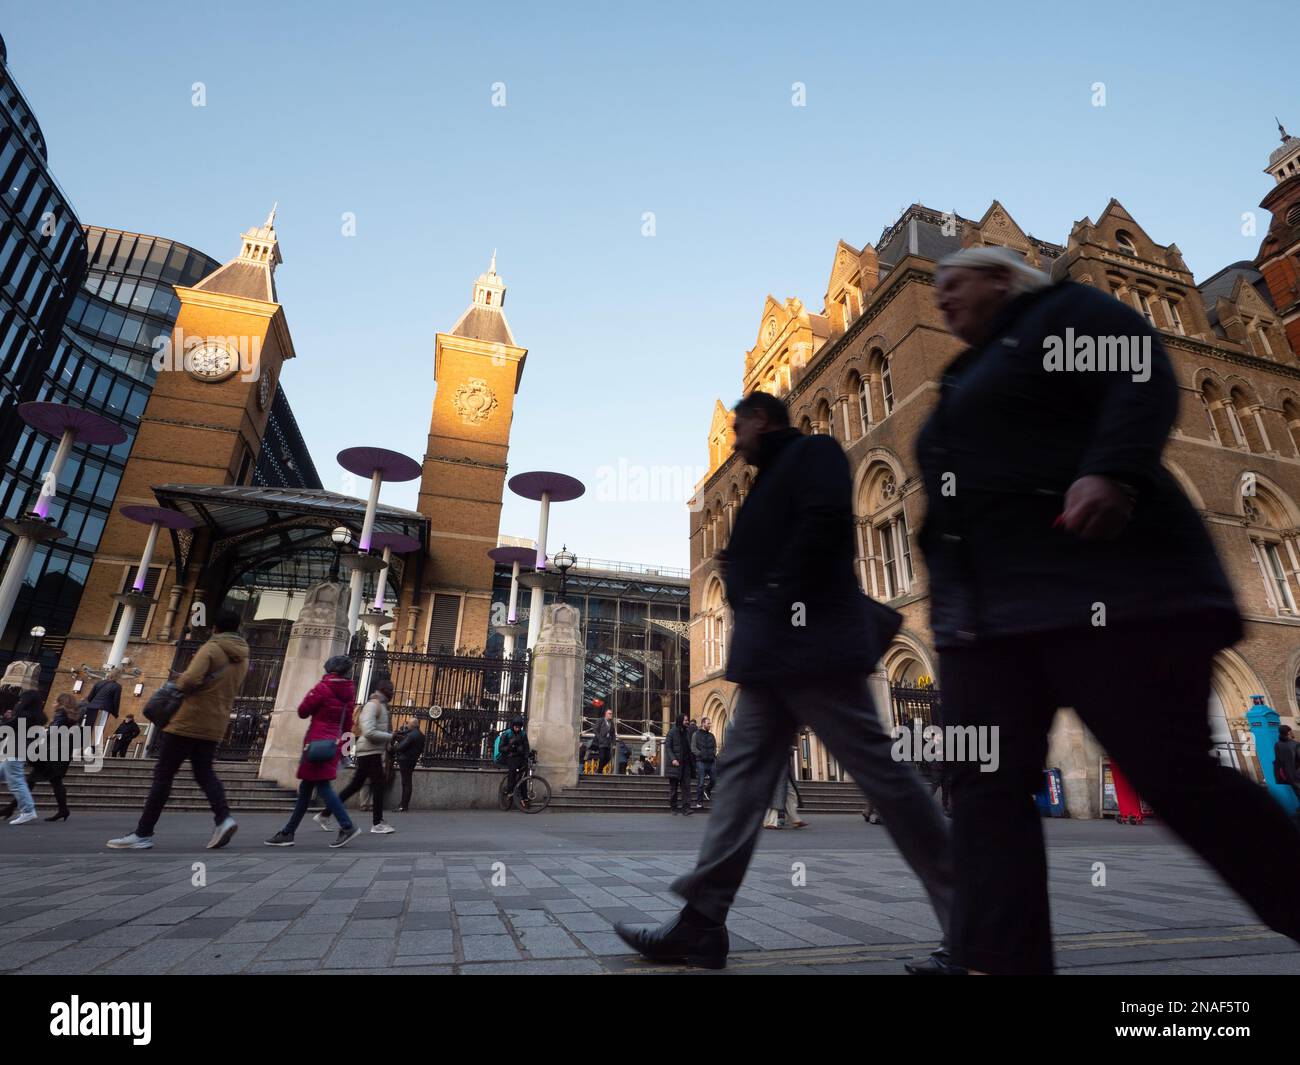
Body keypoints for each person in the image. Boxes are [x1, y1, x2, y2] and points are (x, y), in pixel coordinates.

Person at [919, 243, 1300, 975]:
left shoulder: (1060, 314)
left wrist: (1111, 471)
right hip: (993, 621)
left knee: (1176, 777)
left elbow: (1138, 370)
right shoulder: (963, 373)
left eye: (952, 282)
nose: (940, 298)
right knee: (985, 789)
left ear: (1003, 279)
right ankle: (998, 961)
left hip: (1111, 590)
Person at [615, 390, 953, 971]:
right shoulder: (763, 478)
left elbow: (824, 528)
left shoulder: (815, 453)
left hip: (813, 646)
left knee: (884, 777)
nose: (734, 439)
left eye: (739, 427)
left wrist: (770, 594)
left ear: (761, 419)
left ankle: (973, 918)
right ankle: (700, 924)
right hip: (770, 660)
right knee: (741, 783)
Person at [107, 609, 248, 850]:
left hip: (187, 721)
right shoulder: (243, 658)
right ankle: (223, 818)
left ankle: (143, 833)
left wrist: (180, 681)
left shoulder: (211, 648)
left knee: (163, 775)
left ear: (215, 627)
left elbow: (190, 680)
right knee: (205, 773)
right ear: (237, 628)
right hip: (215, 724)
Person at [266, 655, 360, 848]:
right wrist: (345, 749)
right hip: (333, 744)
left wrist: (313, 696)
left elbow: (302, 711)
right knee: (306, 791)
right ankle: (288, 832)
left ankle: (347, 825)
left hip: (316, 743)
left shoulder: (322, 688)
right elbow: (348, 723)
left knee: (322, 787)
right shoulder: (349, 692)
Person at [320, 679, 394, 835]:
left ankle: (325, 814)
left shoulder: (381, 706)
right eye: (390, 689)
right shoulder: (373, 705)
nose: (393, 692)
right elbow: (368, 731)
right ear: (383, 689)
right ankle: (377, 822)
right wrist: (389, 736)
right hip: (369, 751)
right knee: (377, 785)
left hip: (371, 750)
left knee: (355, 785)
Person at [28, 692, 80, 822]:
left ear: (61, 703)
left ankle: (13, 808)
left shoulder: (61, 715)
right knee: (54, 782)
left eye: (55, 701)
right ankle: (63, 810)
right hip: (60, 754)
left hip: (52, 754)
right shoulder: (71, 717)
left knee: (32, 780)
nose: (53, 703)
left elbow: (53, 733)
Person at [1, 688, 45, 824]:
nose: (19, 702)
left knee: (17, 782)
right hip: (21, 751)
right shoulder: (36, 717)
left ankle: (28, 810)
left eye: (21, 700)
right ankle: (28, 810)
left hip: (15, 751)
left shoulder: (24, 716)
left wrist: (7, 719)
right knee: (14, 779)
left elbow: (6, 729)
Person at [84, 667, 121, 752]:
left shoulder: (99, 683)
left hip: (91, 707)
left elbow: (90, 697)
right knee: (98, 728)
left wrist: (92, 704)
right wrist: (115, 713)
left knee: (88, 727)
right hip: (102, 709)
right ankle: (90, 749)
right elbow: (116, 701)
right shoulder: (117, 686)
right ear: (118, 676)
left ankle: (82, 747)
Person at [762, 755, 806, 829]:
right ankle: (770, 822)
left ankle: (795, 819)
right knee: (776, 795)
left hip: (783, 769)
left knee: (790, 793)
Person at [665, 712, 694, 815]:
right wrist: (673, 759)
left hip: (686, 764)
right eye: (686, 720)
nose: (687, 722)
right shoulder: (672, 732)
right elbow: (668, 747)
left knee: (686, 787)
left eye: (687, 720)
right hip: (675, 765)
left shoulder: (687, 732)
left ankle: (686, 808)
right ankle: (673, 808)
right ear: (680, 720)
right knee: (674, 788)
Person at [393, 719, 425, 812]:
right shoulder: (420, 735)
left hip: (405, 760)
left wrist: (394, 747)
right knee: (407, 782)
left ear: (413, 725)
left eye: (408, 724)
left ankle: (403, 805)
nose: (407, 726)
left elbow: (401, 747)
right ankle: (404, 804)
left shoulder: (411, 735)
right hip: (412, 760)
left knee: (406, 783)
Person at [497, 719, 530, 802]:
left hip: (520, 757)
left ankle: (524, 796)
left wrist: (527, 755)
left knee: (524, 774)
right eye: (516, 727)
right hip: (510, 756)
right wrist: (509, 748)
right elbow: (501, 748)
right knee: (512, 770)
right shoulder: (507, 734)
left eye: (519, 727)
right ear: (513, 726)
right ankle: (510, 789)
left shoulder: (523, 734)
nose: (517, 729)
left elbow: (526, 746)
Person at [692, 717, 717, 808]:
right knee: (701, 782)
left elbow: (714, 747)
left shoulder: (712, 736)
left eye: (710, 723)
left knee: (714, 780)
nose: (710, 725)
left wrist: (713, 754)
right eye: (708, 723)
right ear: (703, 724)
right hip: (701, 762)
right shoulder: (696, 734)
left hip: (711, 761)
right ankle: (699, 802)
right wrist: (700, 754)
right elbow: (693, 748)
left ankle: (707, 790)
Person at [1275, 725, 1300, 819]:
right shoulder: (1296, 744)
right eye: (1291, 731)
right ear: (1289, 732)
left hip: (1288, 775)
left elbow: (1278, 761)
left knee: (1298, 793)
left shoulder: (1277, 745)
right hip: (1298, 774)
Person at [592, 708, 616, 774]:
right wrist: (600, 738)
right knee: (602, 757)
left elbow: (613, 734)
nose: (611, 715)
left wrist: (614, 744)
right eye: (609, 713)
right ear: (606, 714)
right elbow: (595, 730)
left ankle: (599, 769)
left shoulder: (612, 723)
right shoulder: (601, 720)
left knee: (608, 757)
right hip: (601, 743)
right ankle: (600, 771)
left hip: (608, 743)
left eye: (611, 714)